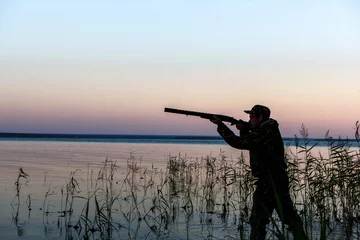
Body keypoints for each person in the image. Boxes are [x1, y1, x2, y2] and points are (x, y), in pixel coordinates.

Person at [210, 105, 307, 240]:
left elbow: (239, 143)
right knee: (285, 218)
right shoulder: (266, 130)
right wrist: (244, 129)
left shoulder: (266, 132)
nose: (249, 120)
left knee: (259, 220)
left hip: (270, 182)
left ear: (260, 118)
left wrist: (221, 125)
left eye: (251, 117)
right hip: (272, 181)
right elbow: (249, 142)